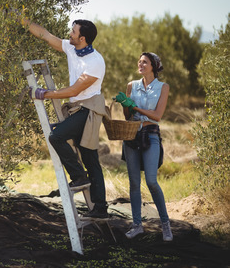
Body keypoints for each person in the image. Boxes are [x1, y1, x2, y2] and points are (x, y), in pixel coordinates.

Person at [18, 15, 108, 218]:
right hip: (77, 108)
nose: (70, 34)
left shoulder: (95, 62)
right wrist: (23, 20)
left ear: (82, 38)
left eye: (73, 31)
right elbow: (46, 35)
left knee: (57, 137)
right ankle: (100, 209)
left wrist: (45, 94)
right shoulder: (71, 48)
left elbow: (74, 90)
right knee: (90, 158)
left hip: (89, 110)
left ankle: (79, 177)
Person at [116, 52, 173, 241]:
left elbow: (157, 116)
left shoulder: (163, 87)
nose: (140, 64)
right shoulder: (132, 85)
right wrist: (126, 104)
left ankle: (166, 225)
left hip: (151, 136)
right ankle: (137, 225)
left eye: (145, 62)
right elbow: (127, 116)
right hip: (131, 136)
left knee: (151, 181)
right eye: (139, 61)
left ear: (154, 66)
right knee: (134, 183)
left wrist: (135, 107)